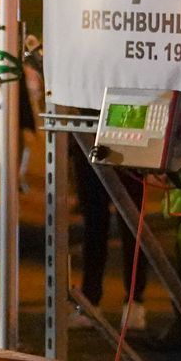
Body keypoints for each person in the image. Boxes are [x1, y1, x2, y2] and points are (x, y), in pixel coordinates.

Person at [69, 140, 150, 331]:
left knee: (128, 224)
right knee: (99, 224)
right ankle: (96, 300)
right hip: (95, 141)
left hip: (119, 139)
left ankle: (132, 301)